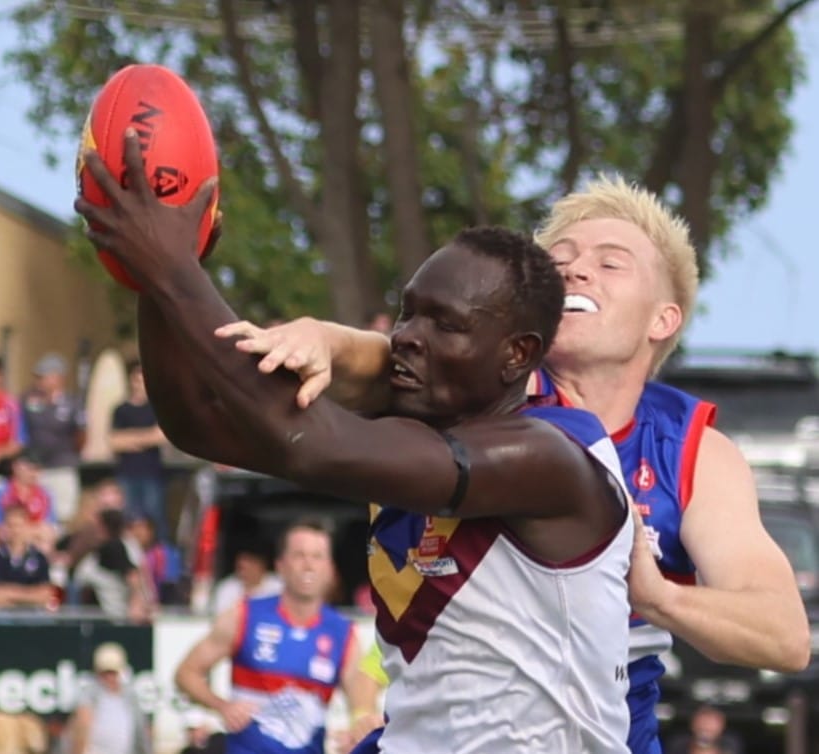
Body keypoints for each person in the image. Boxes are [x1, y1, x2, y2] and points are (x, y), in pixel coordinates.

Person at [217, 175, 811, 753]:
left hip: (598, 732)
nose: (576, 268)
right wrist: (319, 337)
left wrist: (657, 596)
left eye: (610, 263)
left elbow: (784, 636)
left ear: (664, 318)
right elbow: (367, 356)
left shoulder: (692, 450)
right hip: (437, 724)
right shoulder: (470, 381)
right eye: (562, 257)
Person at [76, 138, 636, 752]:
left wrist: (174, 270)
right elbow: (196, 424)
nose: (407, 338)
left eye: (443, 324)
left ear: (517, 354)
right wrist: (154, 279)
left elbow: (308, 447)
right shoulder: (415, 422)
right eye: (408, 312)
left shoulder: (551, 456)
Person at [175, 520, 364, 754]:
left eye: (317, 557)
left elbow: (363, 702)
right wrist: (222, 706)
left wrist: (357, 731)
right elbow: (186, 673)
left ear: (330, 569)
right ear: (281, 565)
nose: (308, 565)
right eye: (299, 555)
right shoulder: (245, 614)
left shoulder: (342, 632)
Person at [21, 352, 86, 522]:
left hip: (62, 467)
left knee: (64, 515)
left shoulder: (73, 402)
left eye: (44, 377)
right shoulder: (28, 400)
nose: (39, 381)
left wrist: (72, 454)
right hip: (35, 469)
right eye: (38, 377)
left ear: (58, 377)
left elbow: (81, 434)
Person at [109, 363, 170, 541]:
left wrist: (130, 438)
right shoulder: (121, 410)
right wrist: (145, 437)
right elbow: (115, 442)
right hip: (127, 472)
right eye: (137, 380)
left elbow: (159, 437)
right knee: (127, 519)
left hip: (151, 473)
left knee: (155, 519)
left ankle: (159, 560)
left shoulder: (157, 408)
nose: (140, 384)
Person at [62, 642, 151, 754]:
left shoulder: (130, 698)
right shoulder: (89, 696)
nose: (109, 677)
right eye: (105, 673)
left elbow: (141, 734)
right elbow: (80, 733)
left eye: (113, 672)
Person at [0, 504, 54, 610]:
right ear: (4, 527)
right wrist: (30, 595)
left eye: (19, 525)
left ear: (27, 526)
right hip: (2, 617)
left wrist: (10, 593)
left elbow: (45, 595)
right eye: (11, 526)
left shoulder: (39, 557)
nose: (15, 530)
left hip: (33, 617)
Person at [209, 545, 281, 616]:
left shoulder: (278, 586)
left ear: (261, 565)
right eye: (240, 568)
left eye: (247, 568)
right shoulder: (227, 587)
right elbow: (220, 616)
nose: (243, 573)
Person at [665, 705, 743, 754]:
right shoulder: (678, 747)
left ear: (722, 726)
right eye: (703, 722)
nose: (706, 727)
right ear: (693, 724)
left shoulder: (730, 748)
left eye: (711, 723)